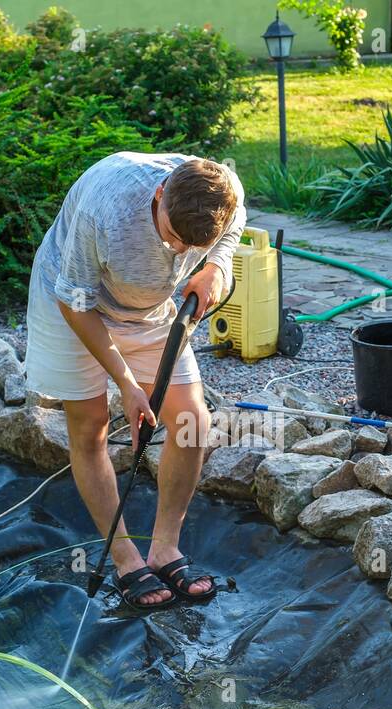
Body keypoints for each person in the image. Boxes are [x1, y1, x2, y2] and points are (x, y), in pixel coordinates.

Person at [24, 152, 245, 610]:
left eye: (193, 246)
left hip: (150, 310)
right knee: (90, 427)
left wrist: (216, 268)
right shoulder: (103, 209)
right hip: (72, 302)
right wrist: (125, 383)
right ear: (161, 194)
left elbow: (237, 218)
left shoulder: (222, 190)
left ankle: (165, 548)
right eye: (173, 238)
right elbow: (76, 303)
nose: (181, 253)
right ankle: (125, 558)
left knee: (192, 422)